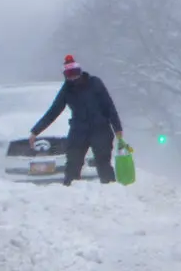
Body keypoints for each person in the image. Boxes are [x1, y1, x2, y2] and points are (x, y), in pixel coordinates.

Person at [30, 55, 125, 187]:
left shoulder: (95, 83)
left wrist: (118, 129)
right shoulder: (66, 90)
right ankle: (69, 192)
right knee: (72, 165)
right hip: (78, 131)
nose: (73, 77)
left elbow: (109, 106)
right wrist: (35, 131)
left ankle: (111, 192)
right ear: (65, 76)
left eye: (74, 73)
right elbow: (53, 111)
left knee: (103, 164)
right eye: (69, 74)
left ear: (80, 72)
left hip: (100, 129)